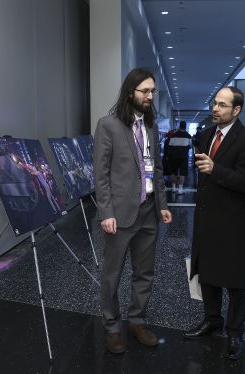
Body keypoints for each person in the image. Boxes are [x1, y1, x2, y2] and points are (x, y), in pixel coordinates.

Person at [94, 67, 172, 354]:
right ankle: (112, 327)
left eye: (153, 91)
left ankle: (137, 320)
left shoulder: (150, 126)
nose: (151, 96)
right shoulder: (109, 125)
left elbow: (155, 170)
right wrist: (106, 213)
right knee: (112, 274)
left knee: (145, 273)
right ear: (131, 93)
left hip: (148, 211)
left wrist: (162, 205)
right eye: (145, 91)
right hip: (120, 214)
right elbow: (100, 174)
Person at [184, 87, 245, 361]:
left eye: (222, 105)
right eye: (214, 103)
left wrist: (216, 170)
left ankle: (234, 332)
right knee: (208, 274)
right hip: (205, 219)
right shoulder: (205, 136)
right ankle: (211, 320)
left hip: (231, 222)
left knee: (235, 281)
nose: (215, 109)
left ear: (236, 110)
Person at [165, 120, 192, 194]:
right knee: (182, 173)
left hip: (173, 157)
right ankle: (180, 189)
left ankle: (173, 188)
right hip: (184, 157)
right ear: (185, 127)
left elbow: (170, 146)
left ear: (179, 126)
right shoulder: (188, 136)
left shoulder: (173, 135)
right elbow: (189, 146)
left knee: (173, 172)